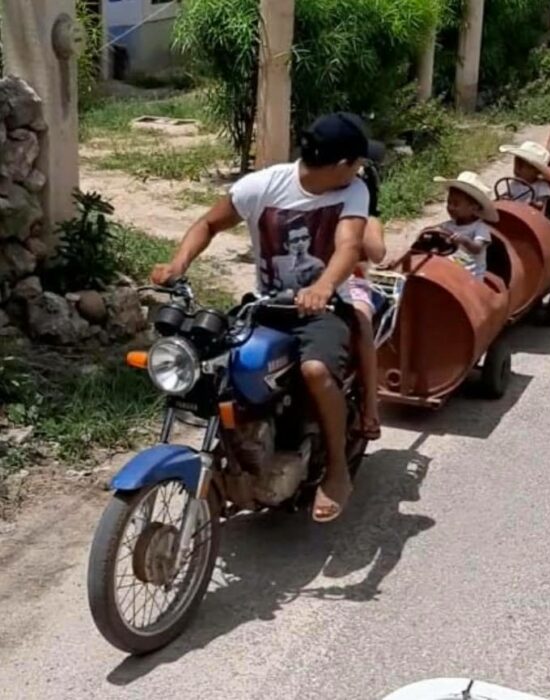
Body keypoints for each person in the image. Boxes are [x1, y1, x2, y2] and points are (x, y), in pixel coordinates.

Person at [151, 112, 384, 523]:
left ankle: (336, 471)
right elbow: (208, 223)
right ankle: (237, 455)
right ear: (340, 164)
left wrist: (324, 286)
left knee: (314, 370)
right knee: (221, 369)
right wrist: (177, 264)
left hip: (325, 306)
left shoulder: (354, 190)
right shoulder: (262, 185)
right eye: (358, 162)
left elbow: (348, 247)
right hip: (266, 304)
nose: (361, 169)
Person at [349, 165, 386, 440]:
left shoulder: (370, 221)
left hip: (353, 285)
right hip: (313, 283)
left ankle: (371, 408)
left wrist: (359, 222)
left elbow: (378, 254)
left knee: (360, 319)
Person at [431, 171, 499, 282]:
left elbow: (477, 248)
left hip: (472, 279)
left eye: (456, 204)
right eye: (449, 203)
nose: (451, 207)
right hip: (450, 273)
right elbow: (435, 233)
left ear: (474, 208)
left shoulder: (480, 228)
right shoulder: (448, 226)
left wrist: (465, 240)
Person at [499, 141, 550, 210]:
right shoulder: (515, 183)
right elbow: (508, 194)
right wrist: (505, 197)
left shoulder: (541, 186)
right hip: (514, 212)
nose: (517, 168)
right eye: (516, 164)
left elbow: (541, 204)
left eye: (522, 165)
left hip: (531, 216)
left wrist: (534, 204)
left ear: (536, 171)